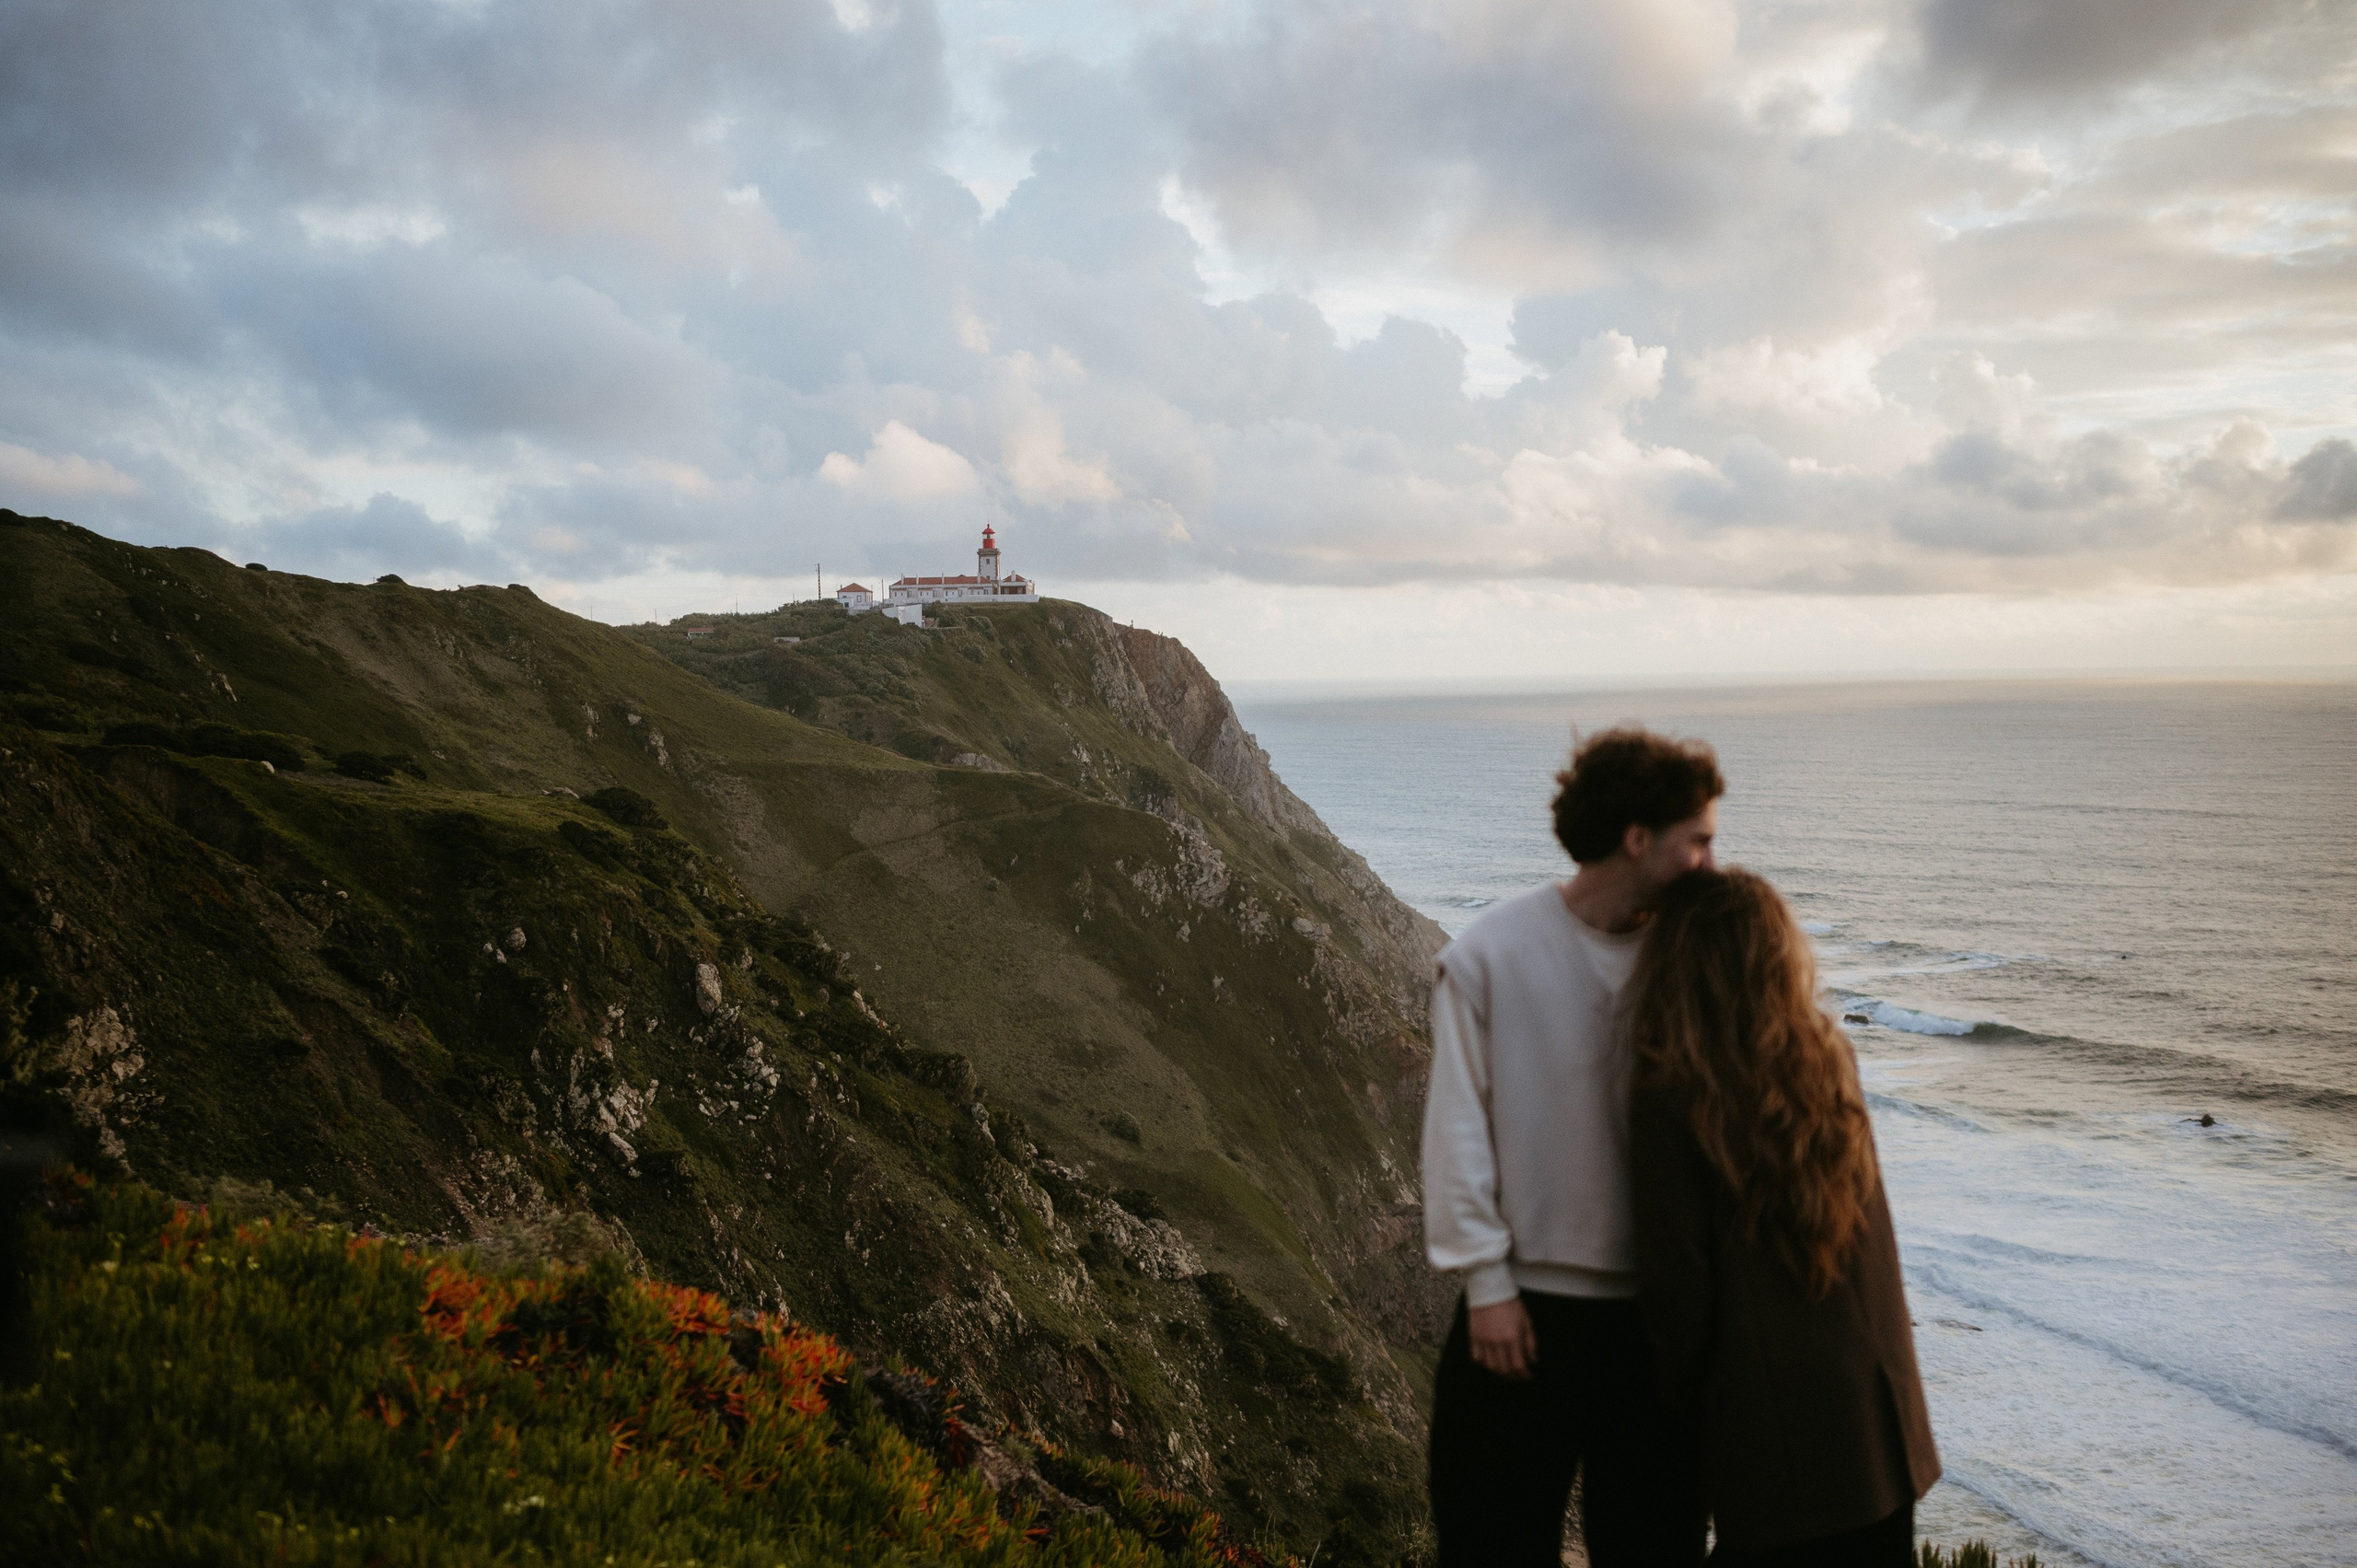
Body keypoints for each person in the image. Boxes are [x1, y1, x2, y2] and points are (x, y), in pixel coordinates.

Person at [1422, 726, 1723, 1566]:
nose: (1710, 860)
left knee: (1656, 1549)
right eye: (1697, 838)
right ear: (1638, 838)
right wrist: (1486, 1284)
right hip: (1520, 1317)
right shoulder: (1490, 955)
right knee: (1492, 1542)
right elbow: (1456, 1130)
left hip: (1655, 1325)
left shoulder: (1694, 956)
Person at [1625, 867, 1941, 1567]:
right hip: (1881, 1431)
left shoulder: (1672, 1094)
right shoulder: (1830, 1056)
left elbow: (1678, 1302)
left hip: (1781, 1453)